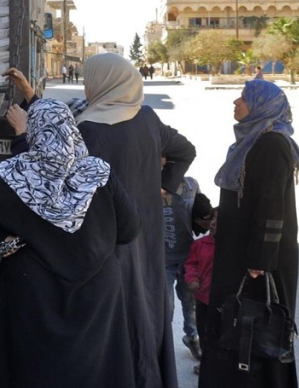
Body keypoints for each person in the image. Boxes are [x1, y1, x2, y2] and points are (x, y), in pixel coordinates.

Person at [0, 99, 141, 387]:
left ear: (34, 131)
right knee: (96, 365)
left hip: (32, 288)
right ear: (71, 129)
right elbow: (129, 230)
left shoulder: (11, 174)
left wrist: (0, 240)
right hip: (98, 288)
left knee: (32, 365)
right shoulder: (97, 171)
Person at [76, 53, 197, 388]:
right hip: (145, 227)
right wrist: (163, 185)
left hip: (103, 232)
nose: (87, 85)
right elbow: (185, 150)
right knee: (144, 298)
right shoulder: (147, 118)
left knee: (110, 306)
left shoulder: (86, 129)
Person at [199, 81, 299, 388]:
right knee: (234, 322)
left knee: (257, 325)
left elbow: (271, 205)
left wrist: (259, 260)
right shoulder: (253, 140)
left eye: (243, 98)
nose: (236, 101)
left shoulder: (271, 144)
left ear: (261, 106)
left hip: (257, 259)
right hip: (241, 250)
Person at [163, 176, 205, 360]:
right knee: (166, 306)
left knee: (190, 302)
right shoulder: (151, 182)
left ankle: (192, 337)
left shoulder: (191, 185)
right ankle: (162, 344)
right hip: (161, 259)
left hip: (187, 256)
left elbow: (201, 213)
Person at [185, 207, 218, 374]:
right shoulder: (199, 244)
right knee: (204, 333)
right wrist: (192, 279)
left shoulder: (232, 248)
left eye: (219, 221)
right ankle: (206, 363)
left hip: (222, 301)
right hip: (203, 298)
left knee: (220, 335)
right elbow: (191, 264)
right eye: (212, 219)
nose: (213, 223)